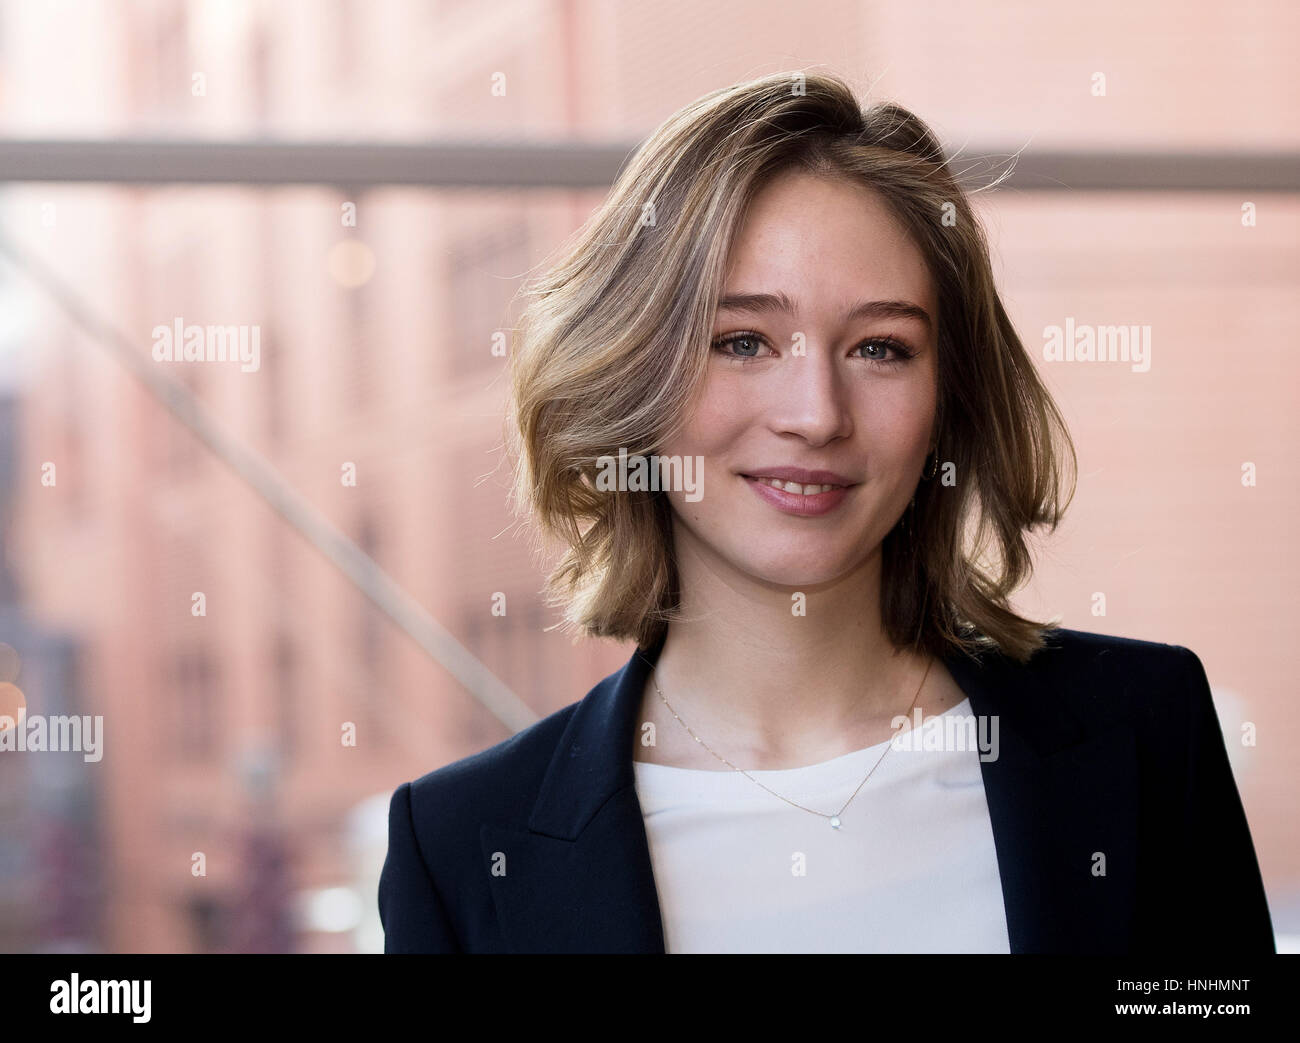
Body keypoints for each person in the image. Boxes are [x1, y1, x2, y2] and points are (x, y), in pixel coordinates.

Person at [378, 71, 1274, 953]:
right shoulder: (461, 846)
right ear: (631, 373)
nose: (816, 412)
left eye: (881, 347)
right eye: (742, 341)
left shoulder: (1146, 734)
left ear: (945, 401)